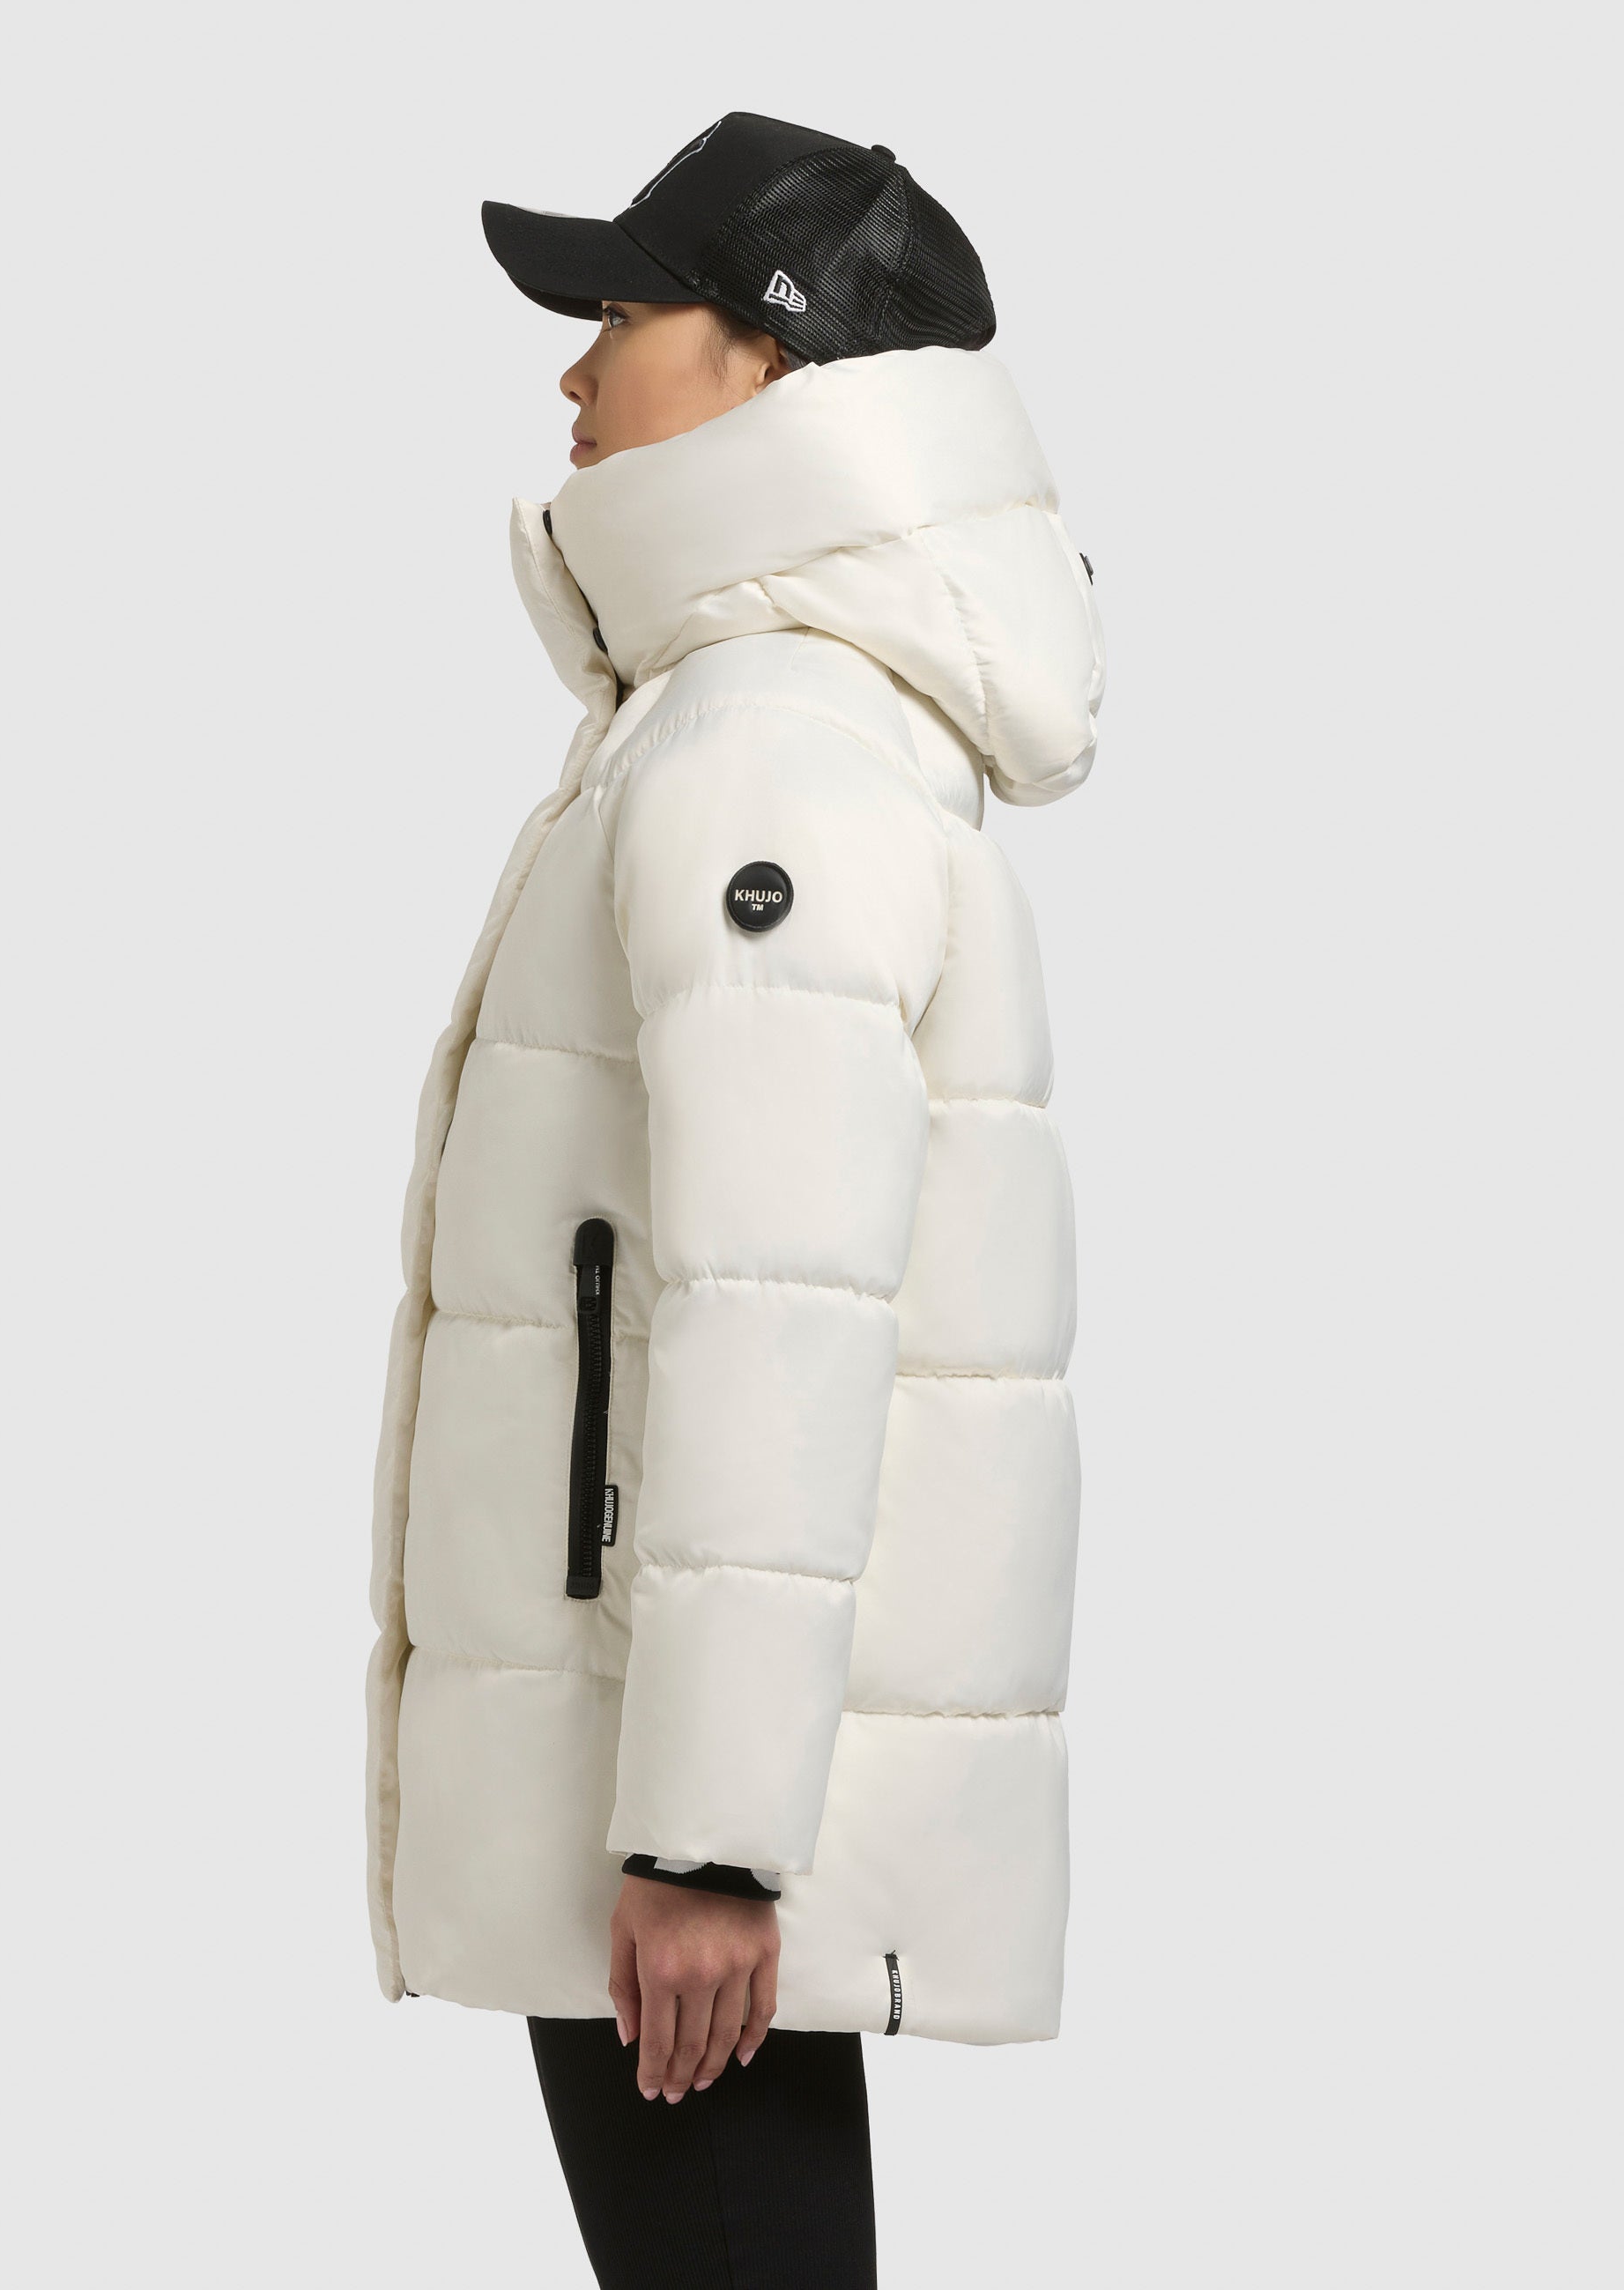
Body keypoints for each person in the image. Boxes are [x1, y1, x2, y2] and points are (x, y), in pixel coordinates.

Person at [365, 112, 1106, 2287]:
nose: (573, 369)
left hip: (674, 1783)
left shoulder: (766, 740)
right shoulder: (755, 718)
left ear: (770, 359)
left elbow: (781, 1305)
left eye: (620, 309)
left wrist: (706, 1836)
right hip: (658, 1737)